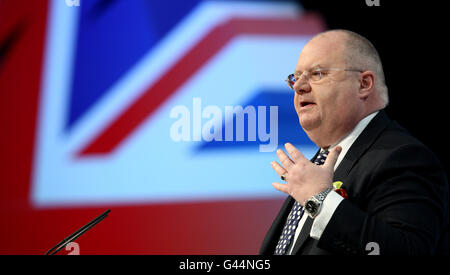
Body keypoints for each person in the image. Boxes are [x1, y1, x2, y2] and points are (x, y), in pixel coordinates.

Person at [259, 29, 449, 255]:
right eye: (295, 78)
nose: (299, 86)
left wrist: (320, 201)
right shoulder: (317, 167)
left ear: (364, 84)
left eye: (317, 74)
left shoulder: (403, 157)